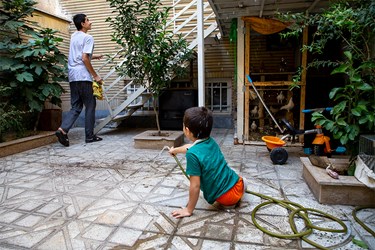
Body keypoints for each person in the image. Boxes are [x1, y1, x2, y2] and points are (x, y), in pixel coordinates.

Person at [169, 107, 246, 218]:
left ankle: (229, 203)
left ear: (187, 130)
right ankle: (236, 197)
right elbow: (190, 147)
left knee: (226, 192)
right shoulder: (210, 141)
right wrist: (175, 150)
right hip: (238, 185)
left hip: (226, 197)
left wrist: (188, 210)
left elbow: (195, 186)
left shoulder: (192, 155)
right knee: (239, 179)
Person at [55, 13, 103, 147]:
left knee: (76, 106)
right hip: (83, 76)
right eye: (88, 20)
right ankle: (89, 136)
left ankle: (62, 130)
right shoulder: (88, 37)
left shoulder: (73, 36)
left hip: (73, 76)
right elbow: (84, 58)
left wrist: (94, 56)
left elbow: (79, 56)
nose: (90, 22)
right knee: (90, 105)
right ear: (82, 23)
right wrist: (95, 76)